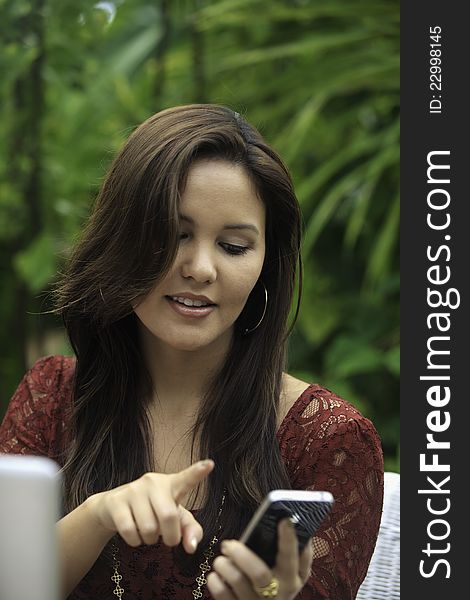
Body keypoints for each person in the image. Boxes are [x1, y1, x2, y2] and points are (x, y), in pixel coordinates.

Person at [0, 104, 384, 600]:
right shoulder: (52, 398)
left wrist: (272, 595)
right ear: (122, 240)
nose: (201, 268)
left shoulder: (326, 439)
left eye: (233, 246)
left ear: (265, 265)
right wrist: (97, 516)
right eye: (176, 234)